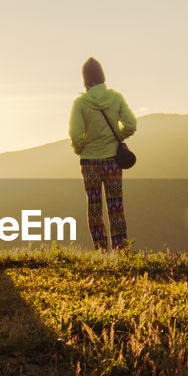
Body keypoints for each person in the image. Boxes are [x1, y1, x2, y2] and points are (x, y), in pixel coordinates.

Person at [69, 57, 137, 250]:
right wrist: (116, 139)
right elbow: (131, 124)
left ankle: (101, 250)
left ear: (85, 79)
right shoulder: (116, 98)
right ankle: (121, 249)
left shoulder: (80, 103)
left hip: (89, 161)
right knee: (116, 205)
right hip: (113, 160)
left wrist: (80, 148)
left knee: (94, 206)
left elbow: (75, 134)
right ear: (102, 75)